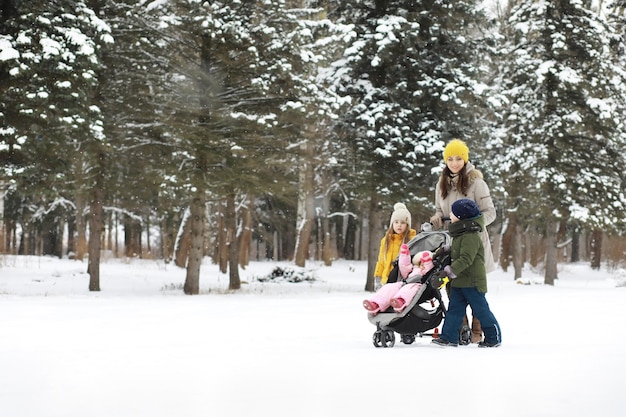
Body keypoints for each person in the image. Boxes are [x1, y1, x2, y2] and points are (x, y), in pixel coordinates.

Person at [429, 138, 496, 343]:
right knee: (454, 289)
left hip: (474, 243)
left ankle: (478, 332)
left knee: (475, 292)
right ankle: (460, 330)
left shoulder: (477, 183)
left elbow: (490, 213)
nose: (455, 162)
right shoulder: (441, 184)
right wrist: (437, 217)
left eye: (459, 158)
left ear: (465, 159)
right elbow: (441, 210)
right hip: (452, 242)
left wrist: (472, 223)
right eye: (450, 159)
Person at [430, 199, 502, 348]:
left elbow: (466, 258)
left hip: (473, 282)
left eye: (453, 212)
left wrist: (447, 273)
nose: (450, 214)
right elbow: (459, 249)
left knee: (481, 311)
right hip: (460, 281)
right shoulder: (461, 234)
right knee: (454, 311)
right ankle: (448, 337)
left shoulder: (471, 236)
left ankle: (494, 337)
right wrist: (446, 250)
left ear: (461, 217)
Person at [363, 247, 434, 314]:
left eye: (424, 264)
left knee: (407, 290)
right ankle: (376, 303)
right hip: (404, 283)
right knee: (389, 287)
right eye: (421, 263)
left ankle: (400, 301)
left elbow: (429, 270)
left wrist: (428, 263)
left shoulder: (425, 272)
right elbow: (404, 267)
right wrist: (404, 256)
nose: (422, 266)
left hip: (417, 285)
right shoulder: (413, 269)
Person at [373, 203, 417, 287]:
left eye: (403, 222)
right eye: (396, 222)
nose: (399, 225)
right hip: (387, 279)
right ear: (392, 224)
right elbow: (381, 260)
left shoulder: (412, 240)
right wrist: (378, 276)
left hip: (403, 281)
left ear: (407, 225)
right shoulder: (386, 240)